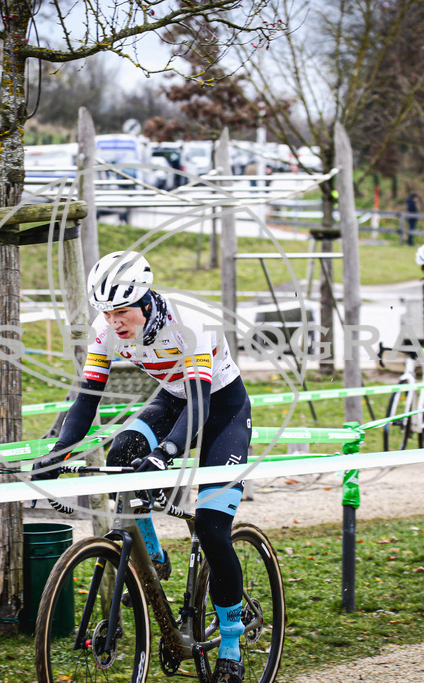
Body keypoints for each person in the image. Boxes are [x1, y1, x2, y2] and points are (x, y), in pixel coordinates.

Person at [31, 250, 251, 683]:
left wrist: (165, 452)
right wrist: (60, 452)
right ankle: (151, 558)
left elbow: (202, 403)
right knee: (121, 454)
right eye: (107, 312)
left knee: (211, 529)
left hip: (221, 410)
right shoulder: (104, 332)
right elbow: (86, 400)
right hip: (173, 399)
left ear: (147, 301)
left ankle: (231, 640)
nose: (115, 321)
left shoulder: (189, 323)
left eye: (123, 311)